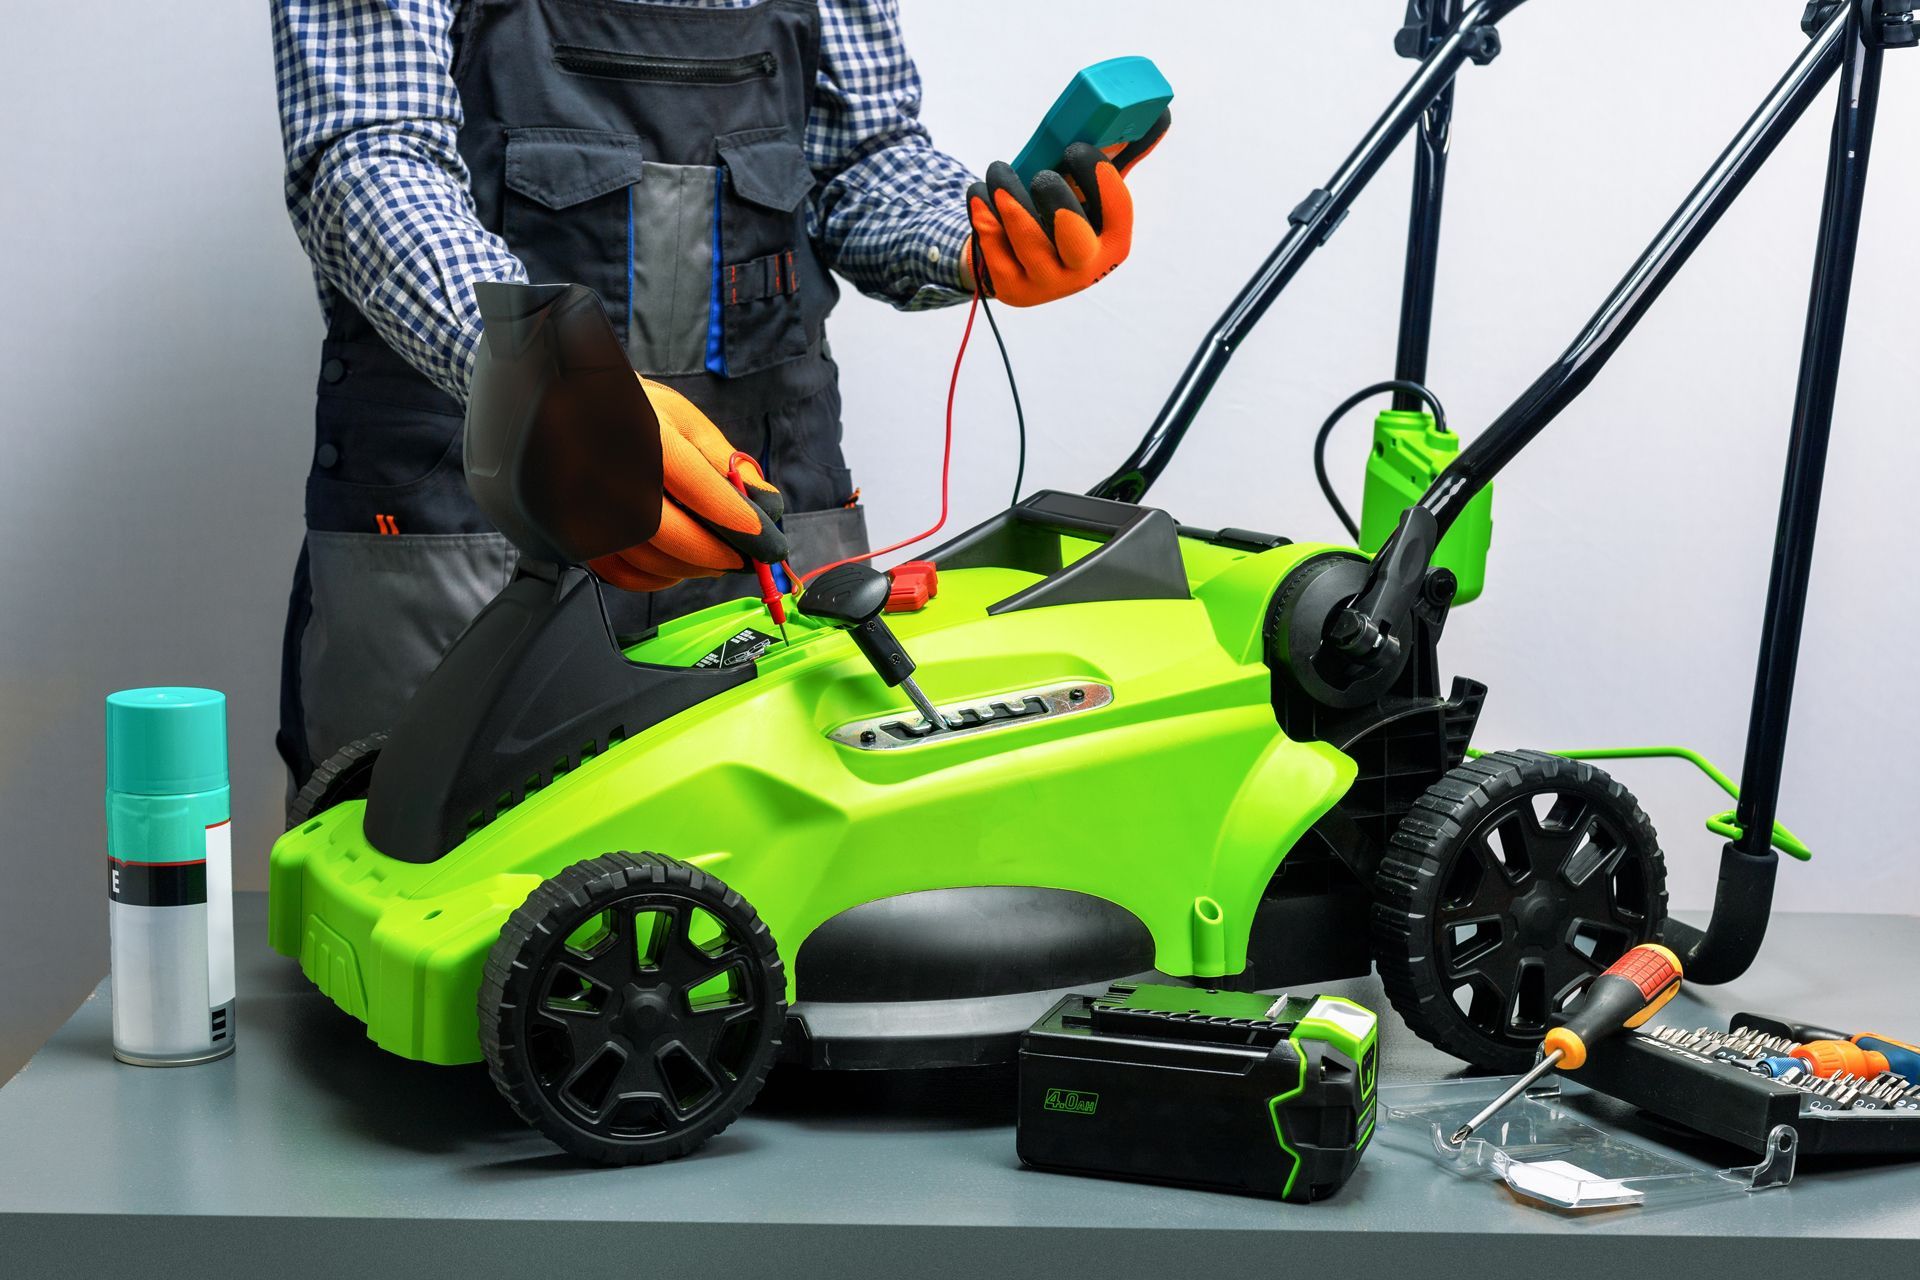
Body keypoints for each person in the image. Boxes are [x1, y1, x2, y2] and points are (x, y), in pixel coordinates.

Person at [270, 0, 1167, 794]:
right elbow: (368, 155)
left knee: (783, 870)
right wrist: (545, 377)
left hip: (767, 505)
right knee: (429, 870)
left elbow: (864, 160)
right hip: (471, 506)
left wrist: (974, 239)